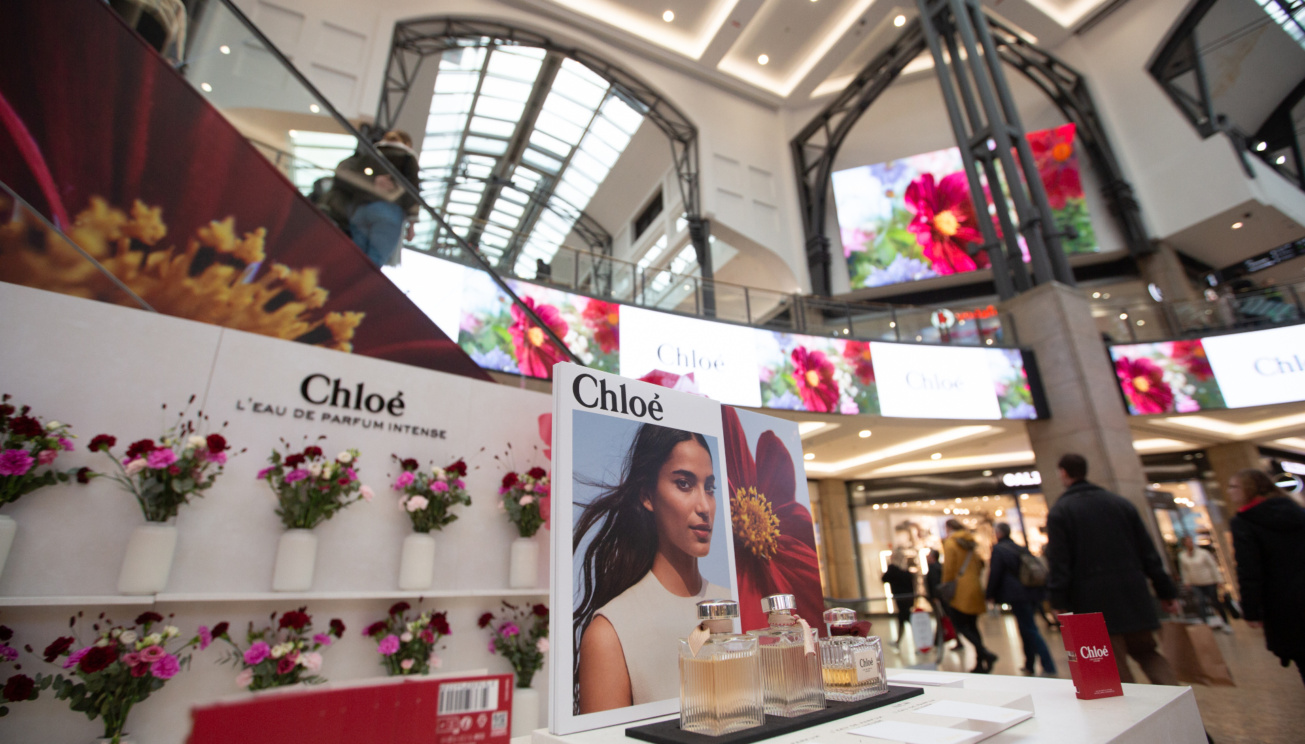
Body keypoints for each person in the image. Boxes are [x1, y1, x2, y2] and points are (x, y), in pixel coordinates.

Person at [572, 424, 727, 713]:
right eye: (684, 484)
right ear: (647, 495)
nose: (704, 506)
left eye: (709, 488)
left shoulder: (735, 606)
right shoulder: (610, 634)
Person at [1046, 453, 1180, 685]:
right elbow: (1148, 553)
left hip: (1091, 601)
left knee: (1111, 664)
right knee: (1148, 653)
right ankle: (1177, 703)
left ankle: (1130, 717)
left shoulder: (1062, 511)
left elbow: (1060, 562)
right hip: (1134, 595)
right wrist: (1166, 591)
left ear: (1063, 473)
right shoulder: (1120, 504)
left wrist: (1058, 601)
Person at [1228, 468, 1305, 686]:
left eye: (1234, 486)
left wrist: (1251, 610)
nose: (1229, 491)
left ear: (1249, 489)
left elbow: (1249, 569)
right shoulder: (1295, 511)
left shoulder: (1245, 522)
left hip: (1284, 603)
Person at [325, 129, 421, 267]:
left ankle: (343, 284)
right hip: (388, 212)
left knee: (355, 258)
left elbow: (353, 177)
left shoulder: (371, 153)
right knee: (372, 265)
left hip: (361, 211)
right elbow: (413, 189)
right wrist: (412, 224)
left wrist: (373, 181)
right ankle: (357, 287)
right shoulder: (407, 156)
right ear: (407, 143)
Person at [986, 523, 1057, 675]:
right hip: (1031, 591)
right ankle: (1030, 664)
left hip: (1017, 594)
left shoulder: (999, 550)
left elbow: (995, 573)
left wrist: (989, 593)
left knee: (1030, 629)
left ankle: (1048, 665)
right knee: (1026, 629)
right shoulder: (1019, 547)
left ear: (998, 534)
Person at [942, 518, 998, 673]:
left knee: (960, 625)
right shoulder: (971, 543)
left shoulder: (951, 543)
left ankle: (985, 653)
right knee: (973, 626)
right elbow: (981, 564)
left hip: (960, 590)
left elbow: (948, 569)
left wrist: (946, 586)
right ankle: (980, 661)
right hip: (975, 587)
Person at [1177, 536, 1231, 632]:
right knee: (1200, 602)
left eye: (1191, 541)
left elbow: (1212, 566)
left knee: (1216, 602)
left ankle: (1226, 623)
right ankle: (1205, 625)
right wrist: (1186, 582)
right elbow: (1184, 570)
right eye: (1187, 542)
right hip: (1195, 583)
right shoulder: (1183, 556)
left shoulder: (1203, 553)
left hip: (1209, 581)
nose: (1190, 543)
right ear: (1184, 544)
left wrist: (1219, 580)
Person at [882, 549, 915, 646]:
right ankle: (898, 641)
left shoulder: (893, 568)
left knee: (907, 619)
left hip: (901, 598)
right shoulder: (905, 569)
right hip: (907, 598)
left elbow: (884, 578)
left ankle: (921, 641)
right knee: (903, 619)